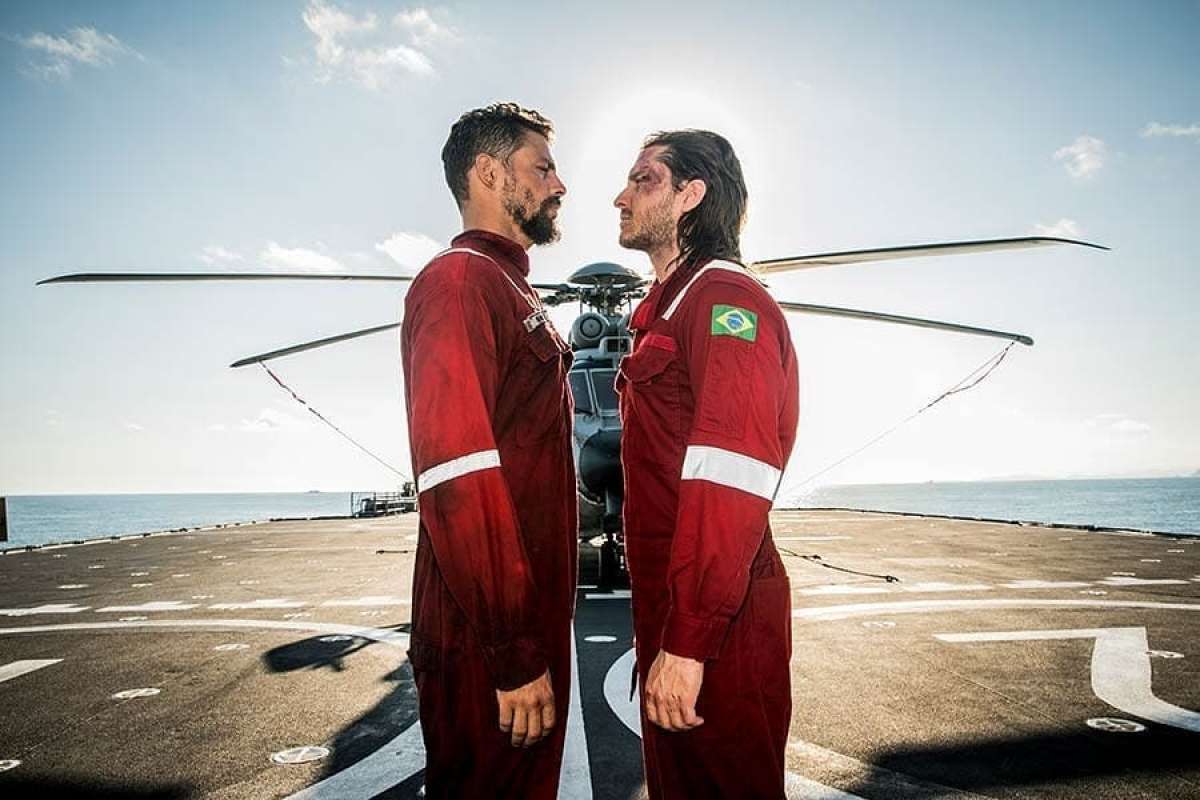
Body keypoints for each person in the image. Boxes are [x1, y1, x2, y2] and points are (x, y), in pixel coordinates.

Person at [614, 129, 799, 799]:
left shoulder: (726, 302)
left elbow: (730, 479)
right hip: (677, 610)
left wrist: (689, 643)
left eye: (643, 181)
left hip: (721, 622)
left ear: (691, 195)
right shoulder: (664, 306)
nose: (621, 197)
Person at [400, 102, 576, 799]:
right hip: (488, 642)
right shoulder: (461, 283)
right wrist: (511, 649)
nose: (559, 186)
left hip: (522, 626)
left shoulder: (506, 285)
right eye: (542, 169)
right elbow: (456, 473)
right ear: (488, 173)